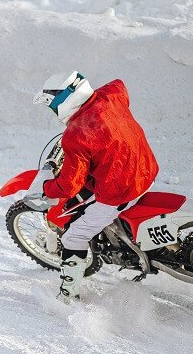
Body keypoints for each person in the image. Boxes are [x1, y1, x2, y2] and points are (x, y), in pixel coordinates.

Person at [27, 71, 159, 301]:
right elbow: (120, 83)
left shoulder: (76, 134)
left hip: (121, 191)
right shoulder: (110, 96)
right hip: (146, 169)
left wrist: (48, 188)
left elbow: (69, 185)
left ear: (64, 102)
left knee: (72, 238)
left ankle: (69, 295)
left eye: (52, 106)